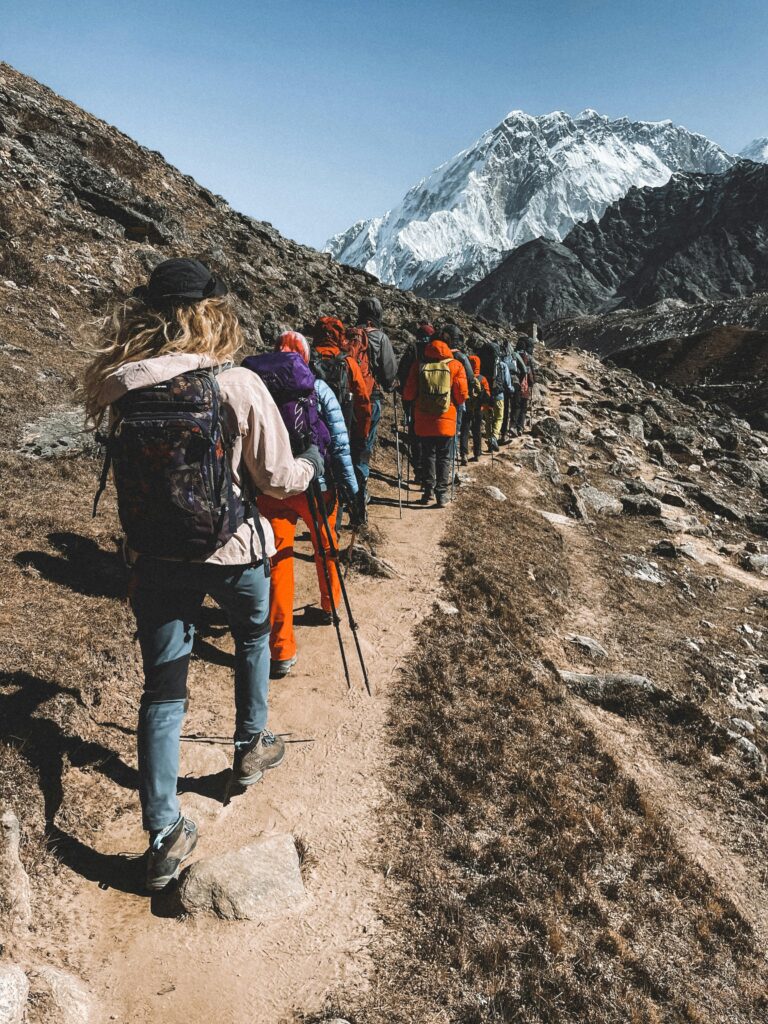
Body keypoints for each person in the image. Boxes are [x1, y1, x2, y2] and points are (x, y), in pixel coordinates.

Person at [84, 259, 323, 892]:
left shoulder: (123, 385)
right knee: (249, 637)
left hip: (155, 557)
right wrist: (311, 463)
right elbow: (275, 480)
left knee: (162, 692)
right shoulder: (236, 384)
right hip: (231, 550)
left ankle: (162, 833)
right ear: (211, 314)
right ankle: (250, 744)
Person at [254, 331, 361, 678]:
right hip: (317, 484)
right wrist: (352, 489)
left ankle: (281, 649)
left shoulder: (261, 389)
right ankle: (329, 605)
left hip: (273, 488)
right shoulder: (317, 388)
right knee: (324, 545)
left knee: (277, 562)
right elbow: (341, 443)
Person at [310, 316, 372, 518]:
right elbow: (363, 402)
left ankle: (316, 519)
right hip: (342, 429)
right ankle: (332, 527)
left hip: (310, 432)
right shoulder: (348, 364)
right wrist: (362, 433)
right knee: (338, 478)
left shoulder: (306, 360)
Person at [402, 330, 468, 508]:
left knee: (428, 455)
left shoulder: (419, 365)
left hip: (423, 419)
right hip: (446, 419)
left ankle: (428, 490)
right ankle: (442, 493)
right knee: (444, 457)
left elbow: (408, 394)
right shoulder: (455, 365)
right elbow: (461, 396)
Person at [351, 297, 397, 498]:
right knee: (364, 446)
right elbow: (389, 374)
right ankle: (360, 495)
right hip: (370, 398)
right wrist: (392, 385)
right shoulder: (380, 337)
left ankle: (344, 491)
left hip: (346, 399)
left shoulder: (349, 334)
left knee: (348, 445)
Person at [462, 354, 491, 463]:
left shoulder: (465, 377)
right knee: (477, 431)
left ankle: (464, 453)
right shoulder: (482, 379)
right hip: (478, 408)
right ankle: (477, 453)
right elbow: (487, 395)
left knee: (464, 430)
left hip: (467, 406)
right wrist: (486, 407)